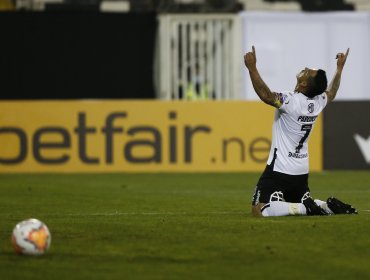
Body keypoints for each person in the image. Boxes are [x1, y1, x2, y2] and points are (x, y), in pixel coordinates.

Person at [244, 46, 357, 217]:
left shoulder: (291, 101)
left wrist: (252, 68)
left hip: (280, 168)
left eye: (308, 72)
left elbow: (266, 95)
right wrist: (339, 69)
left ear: (303, 84)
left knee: (258, 209)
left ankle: (306, 208)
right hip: (301, 170)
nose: (305, 69)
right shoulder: (318, 101)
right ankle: (326, 206)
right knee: (295, 202)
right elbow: (332, 92)